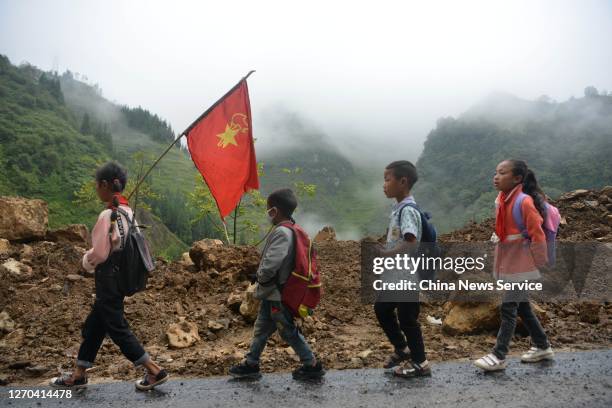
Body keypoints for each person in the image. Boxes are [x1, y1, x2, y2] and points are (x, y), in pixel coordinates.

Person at [49, 161, 168, 390]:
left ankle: (154, 370)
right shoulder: (128, 212)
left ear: (104, 185)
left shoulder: (108, 215)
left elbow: (101, 253)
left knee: (117, 327)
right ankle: (78, 374)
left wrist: (86, 260)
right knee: (95, 325)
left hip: (107, 279)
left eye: (97, 185)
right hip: (121, 279)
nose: (96, 189)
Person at [229, 188, 325, 380]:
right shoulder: (293, 229)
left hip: (278, 295)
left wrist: (260, 277)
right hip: (272, 294)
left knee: (287, 331)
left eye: (268, 210)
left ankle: (311, 364)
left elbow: (272, 263)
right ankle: (251, 363)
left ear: (274, 211)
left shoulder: (282, 232)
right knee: (262, 328)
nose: (268, 214)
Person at [474, 159, 553, 372]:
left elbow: (537, 234)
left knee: (508, 307)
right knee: (523, 307)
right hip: (511, 261)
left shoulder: (524, 201)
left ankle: (499, 355)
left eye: (502, 172)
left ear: (517, 178)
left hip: (523, 263)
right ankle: (543, 345)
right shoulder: (502, 199)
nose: (496, 176)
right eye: (495, 172)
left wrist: (540, 262)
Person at [375, 160, 431, 378]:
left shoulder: (407, 210)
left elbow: (411, 243)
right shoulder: (398, 208)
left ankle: (421, 363)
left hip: (407, 275)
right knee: (382, 309)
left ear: (403, 181)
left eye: (387, 179)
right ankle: (402, 348)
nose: (384, 184)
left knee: (408, 319)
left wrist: (385, 254)